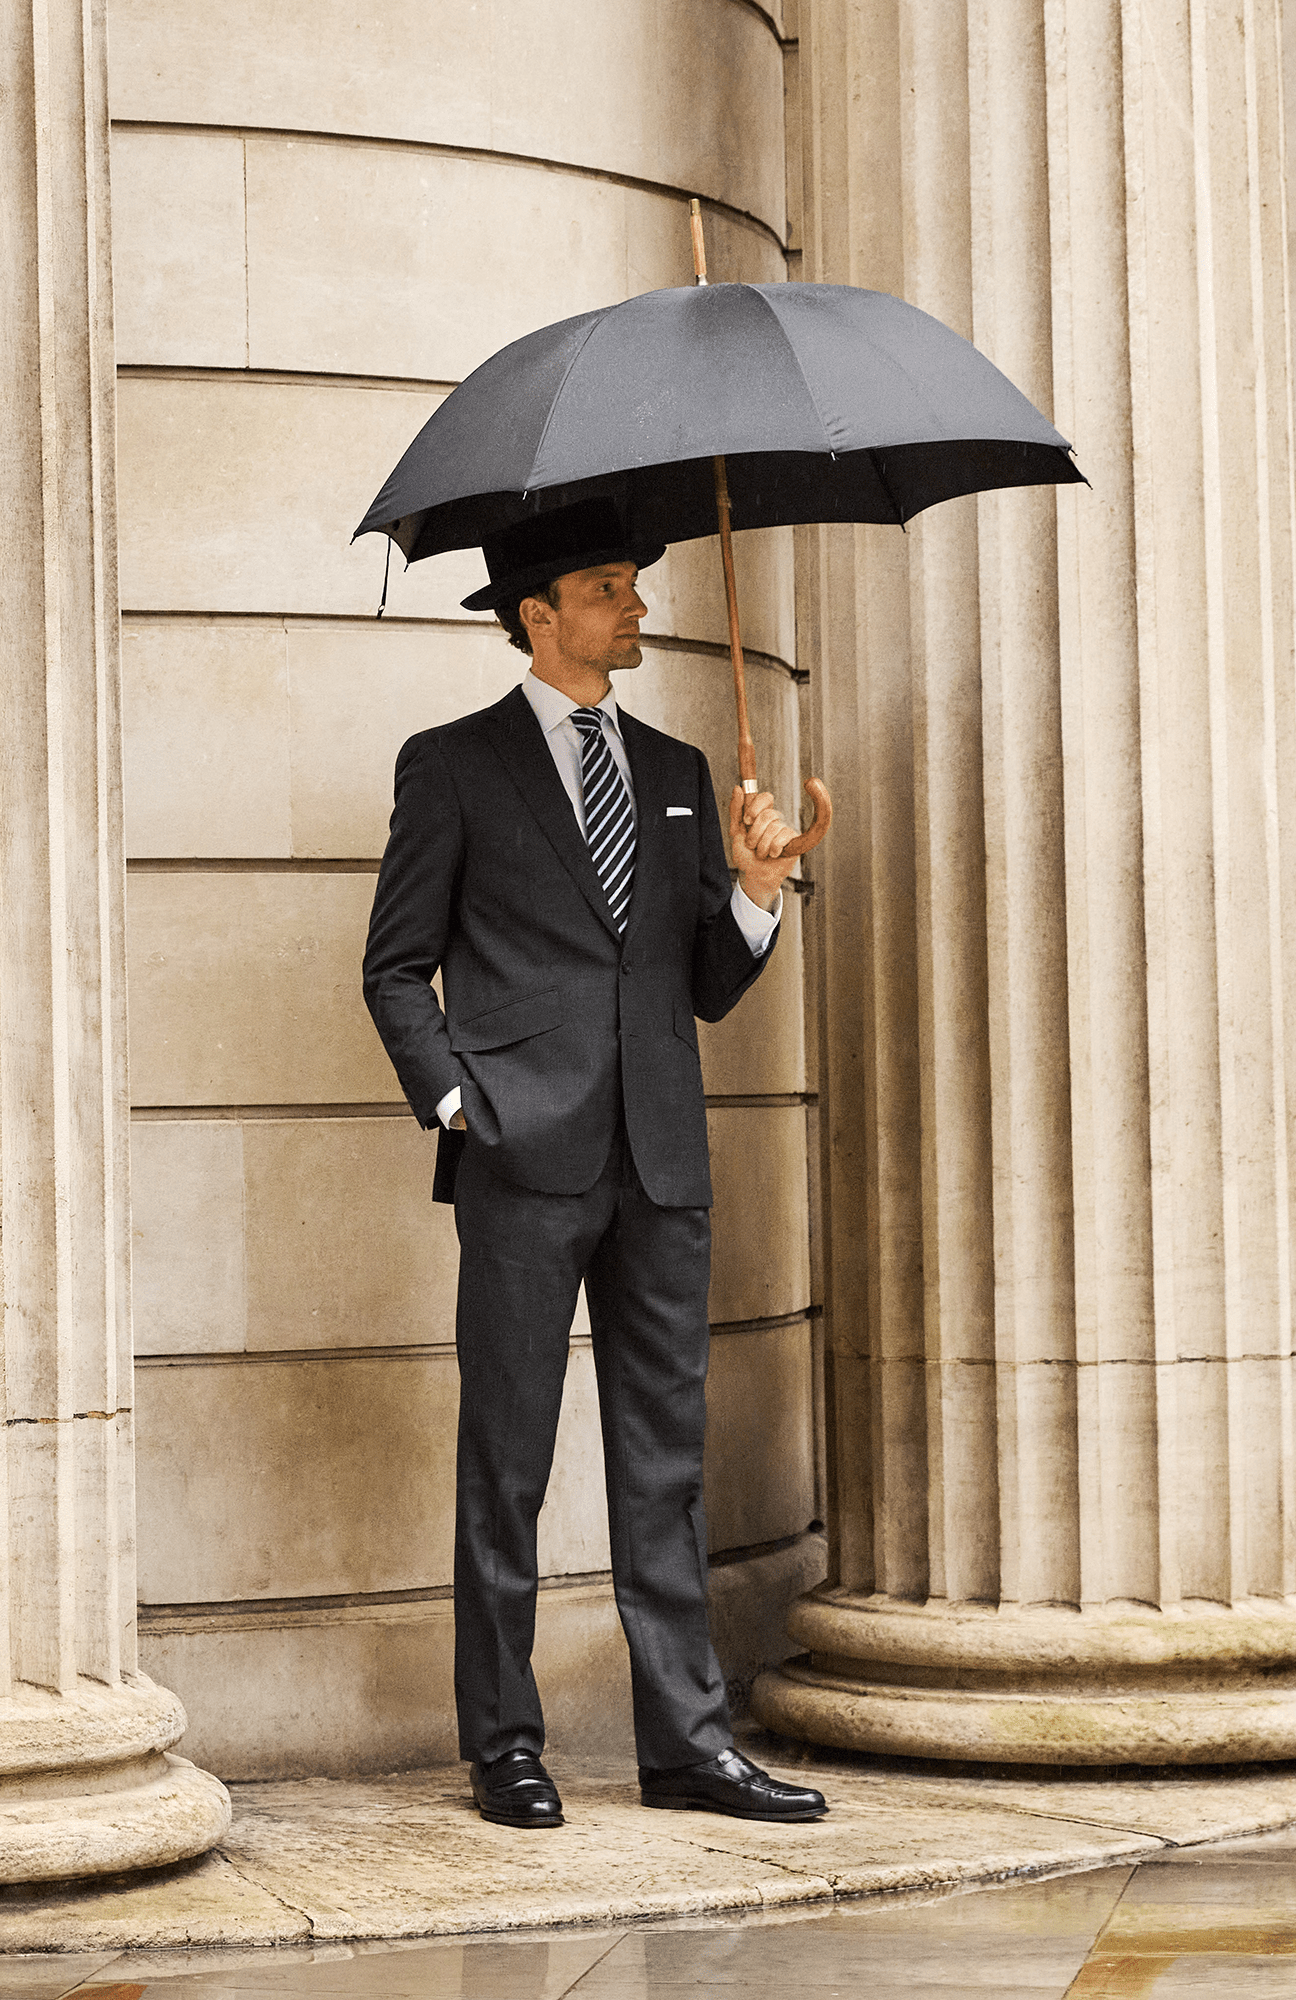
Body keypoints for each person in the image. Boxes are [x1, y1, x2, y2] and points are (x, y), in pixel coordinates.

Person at [362, 497, 828, 1829]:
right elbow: (394, 968)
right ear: (538, 612)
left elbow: (703, 987)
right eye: (610, 587)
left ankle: (687, 1744)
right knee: (504, 1459)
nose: (636, 606)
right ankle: (504, 1743)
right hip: (521, 1159)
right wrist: (460, 1106)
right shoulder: (449, 766)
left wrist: (753, 889)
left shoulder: (680, 769)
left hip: (661, 1167)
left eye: (635, 584)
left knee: (664, 1460)